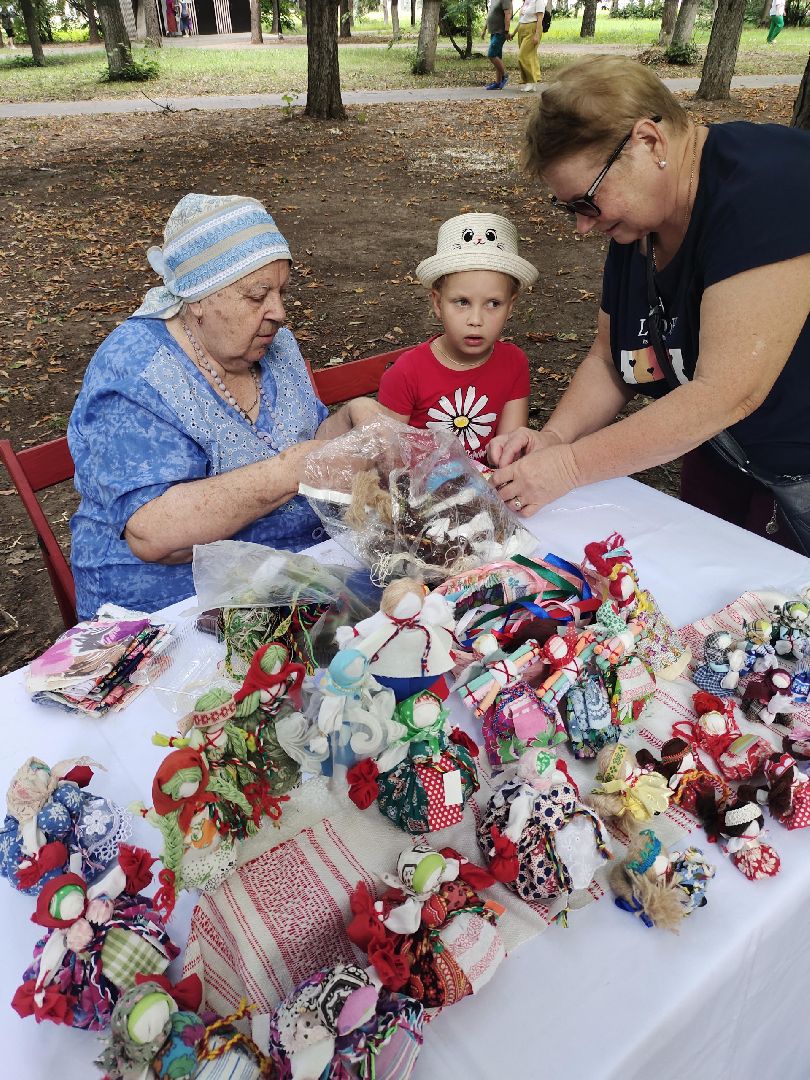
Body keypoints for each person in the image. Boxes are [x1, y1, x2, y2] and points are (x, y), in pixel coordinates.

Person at [489, 56, 810, 553]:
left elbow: (727, 393)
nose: (583, 226)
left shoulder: (769, 186)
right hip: (726, 452)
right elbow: (610, 357)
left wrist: (569, 468)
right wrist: (555, 438)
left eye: (587, 201)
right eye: (570, 208)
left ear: (648, 142)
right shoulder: (639, 227)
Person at [68, 194, 381, 619]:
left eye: (281, 292)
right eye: (258, 296)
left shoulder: (273, 344)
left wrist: (352, 419)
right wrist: (289, 472)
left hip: (296, 578)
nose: (280, 313)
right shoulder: (136, 370)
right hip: (169, 610)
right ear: (197, 297)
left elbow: (304, 442)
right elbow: (154, 533)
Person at [377, 212, 537, 464]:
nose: (476, 319)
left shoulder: (513, 363)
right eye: (462, 302)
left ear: (511, 306)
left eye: (493, 303)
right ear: (438, 303)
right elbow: (387, 460)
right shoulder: (407, 373)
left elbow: (509, 450)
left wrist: (503, 457)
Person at [508, 0, 551, 93]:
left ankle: (531, 81)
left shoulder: (538, 1)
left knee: (523, 56)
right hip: (522, 30)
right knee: (530, 56)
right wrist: (513, 33)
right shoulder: (526, 2)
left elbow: (540, 19)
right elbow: (521, 20)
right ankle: (530, 82)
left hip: (532, 29)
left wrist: (537, 34)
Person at [482, 0, 512, 90]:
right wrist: (484, 30)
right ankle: (498, 82)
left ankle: (505, 75)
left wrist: (506, 31)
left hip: (500, 32)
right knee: (498, 56)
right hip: (494, 32)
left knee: (492, 54)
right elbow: (490, 16)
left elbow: (507, 15)